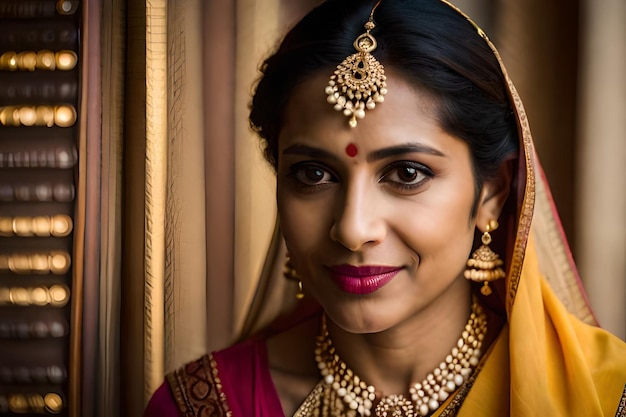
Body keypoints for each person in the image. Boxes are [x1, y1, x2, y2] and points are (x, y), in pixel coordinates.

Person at [144, 0, 626, 415]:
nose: (353, 229)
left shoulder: (605, 399)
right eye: (314, 174)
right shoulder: (203, 406)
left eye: (407, 174)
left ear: (492, 193)